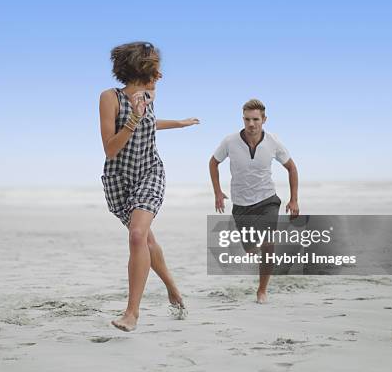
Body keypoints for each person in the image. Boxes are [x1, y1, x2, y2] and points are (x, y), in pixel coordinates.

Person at [99, 41, 199, 331]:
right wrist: (132, 119)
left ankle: (132, 313)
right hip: (119, 179)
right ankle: (173, 288)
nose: (160, 74)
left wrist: (178, 124)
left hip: (149, 172)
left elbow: (148, 122)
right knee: (146, 241)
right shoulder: (110, 97)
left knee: (137, 236)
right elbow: (110, 149)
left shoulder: (150, 94)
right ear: (140, 67)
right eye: (156, 67)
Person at [209, 98, 299, 303]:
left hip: (267, 199)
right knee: (250, 249)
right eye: (247, 119)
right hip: (241, 204)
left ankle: (262, 291)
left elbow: (292, 168)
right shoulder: (230, 141)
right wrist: (217, 192)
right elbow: (213, 163)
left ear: (264, 119)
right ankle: (255, 251)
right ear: (243, 119)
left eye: (256, 119)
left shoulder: (273, 141)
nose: (251, 124)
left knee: (268, 243)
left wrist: (294, 200)